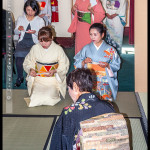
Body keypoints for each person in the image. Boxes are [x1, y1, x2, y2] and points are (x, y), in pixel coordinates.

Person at [50, 68, 115, 150]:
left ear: (75, 87)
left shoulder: (69, 112)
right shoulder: (109, 106)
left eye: (68, 89)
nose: (69, 92)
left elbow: (59, 144)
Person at [23, 26, 69, 107]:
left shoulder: (58, 49)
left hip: (52, 79)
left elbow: (64, 64)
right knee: (34, 99)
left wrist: (55, 71)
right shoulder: (35, 48)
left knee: (50, 98)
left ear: (51, 38)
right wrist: (31, 70)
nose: (43, 43)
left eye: (46, 41)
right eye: (41, 41)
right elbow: (28, 61)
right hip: (39, 79)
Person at [74, 23, 121, 101]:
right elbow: (76, 61)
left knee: (104, 100)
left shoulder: (111, 49)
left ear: (102, 35)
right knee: (89, 99)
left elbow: (116, 65)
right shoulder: (86, 48)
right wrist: (84, 62)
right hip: (89, 78)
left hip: (104, 79)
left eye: (95, 34)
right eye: (91, 34)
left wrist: (108, 65)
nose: (92, 37)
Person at [14, 0, 45, 87]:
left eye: (32, 10)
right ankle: (20, 77)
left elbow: (42, 35)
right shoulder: (21, 18)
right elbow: (15, 32)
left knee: (32, 59)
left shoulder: (40, 20)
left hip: (34, 43)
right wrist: (18, 29)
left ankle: (30, 77)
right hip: (23, 42)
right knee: (18, 56)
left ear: (36, 10)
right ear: (25, 9)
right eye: (28, 10)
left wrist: (35, 32)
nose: (30, 12)